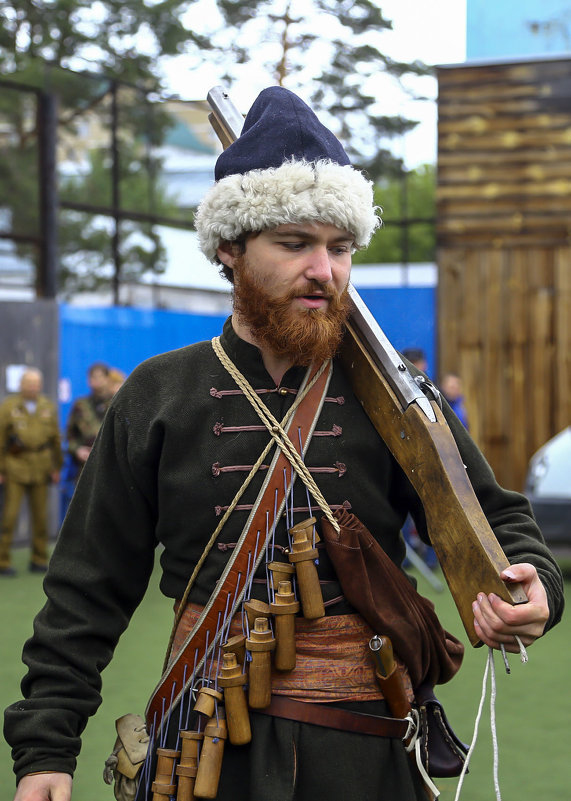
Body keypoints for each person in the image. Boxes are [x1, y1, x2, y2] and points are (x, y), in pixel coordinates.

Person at [4, 87, 564, 801]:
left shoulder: (396, 395)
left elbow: (499, 517)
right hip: (204, 749)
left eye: (339, 247)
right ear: (229, 250)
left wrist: (533, 588)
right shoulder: (157, 392)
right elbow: (87, 584)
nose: (323, 270)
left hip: (367, 750)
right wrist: (47, 747)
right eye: (295, 243)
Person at [0, 368, 62, 575]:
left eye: (36, 383)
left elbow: (55, 439)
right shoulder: (9, 407)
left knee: (41, 517)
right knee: (9, 517)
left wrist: (56, 466)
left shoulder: (47, 407)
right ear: (21, 385)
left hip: (41, 466)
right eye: (29, 383)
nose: (33, 387)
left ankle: (39, 559)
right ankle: (3, 561)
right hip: (15, 466)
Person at [65, 362, 111, 474]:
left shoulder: (117, 404)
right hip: (86, 466)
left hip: (111, 465)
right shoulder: (80, 405)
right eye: (93, 377)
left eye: (100, 376)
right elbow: (70, 435)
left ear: (107, 379)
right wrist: (77, 450)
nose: (97, 380)